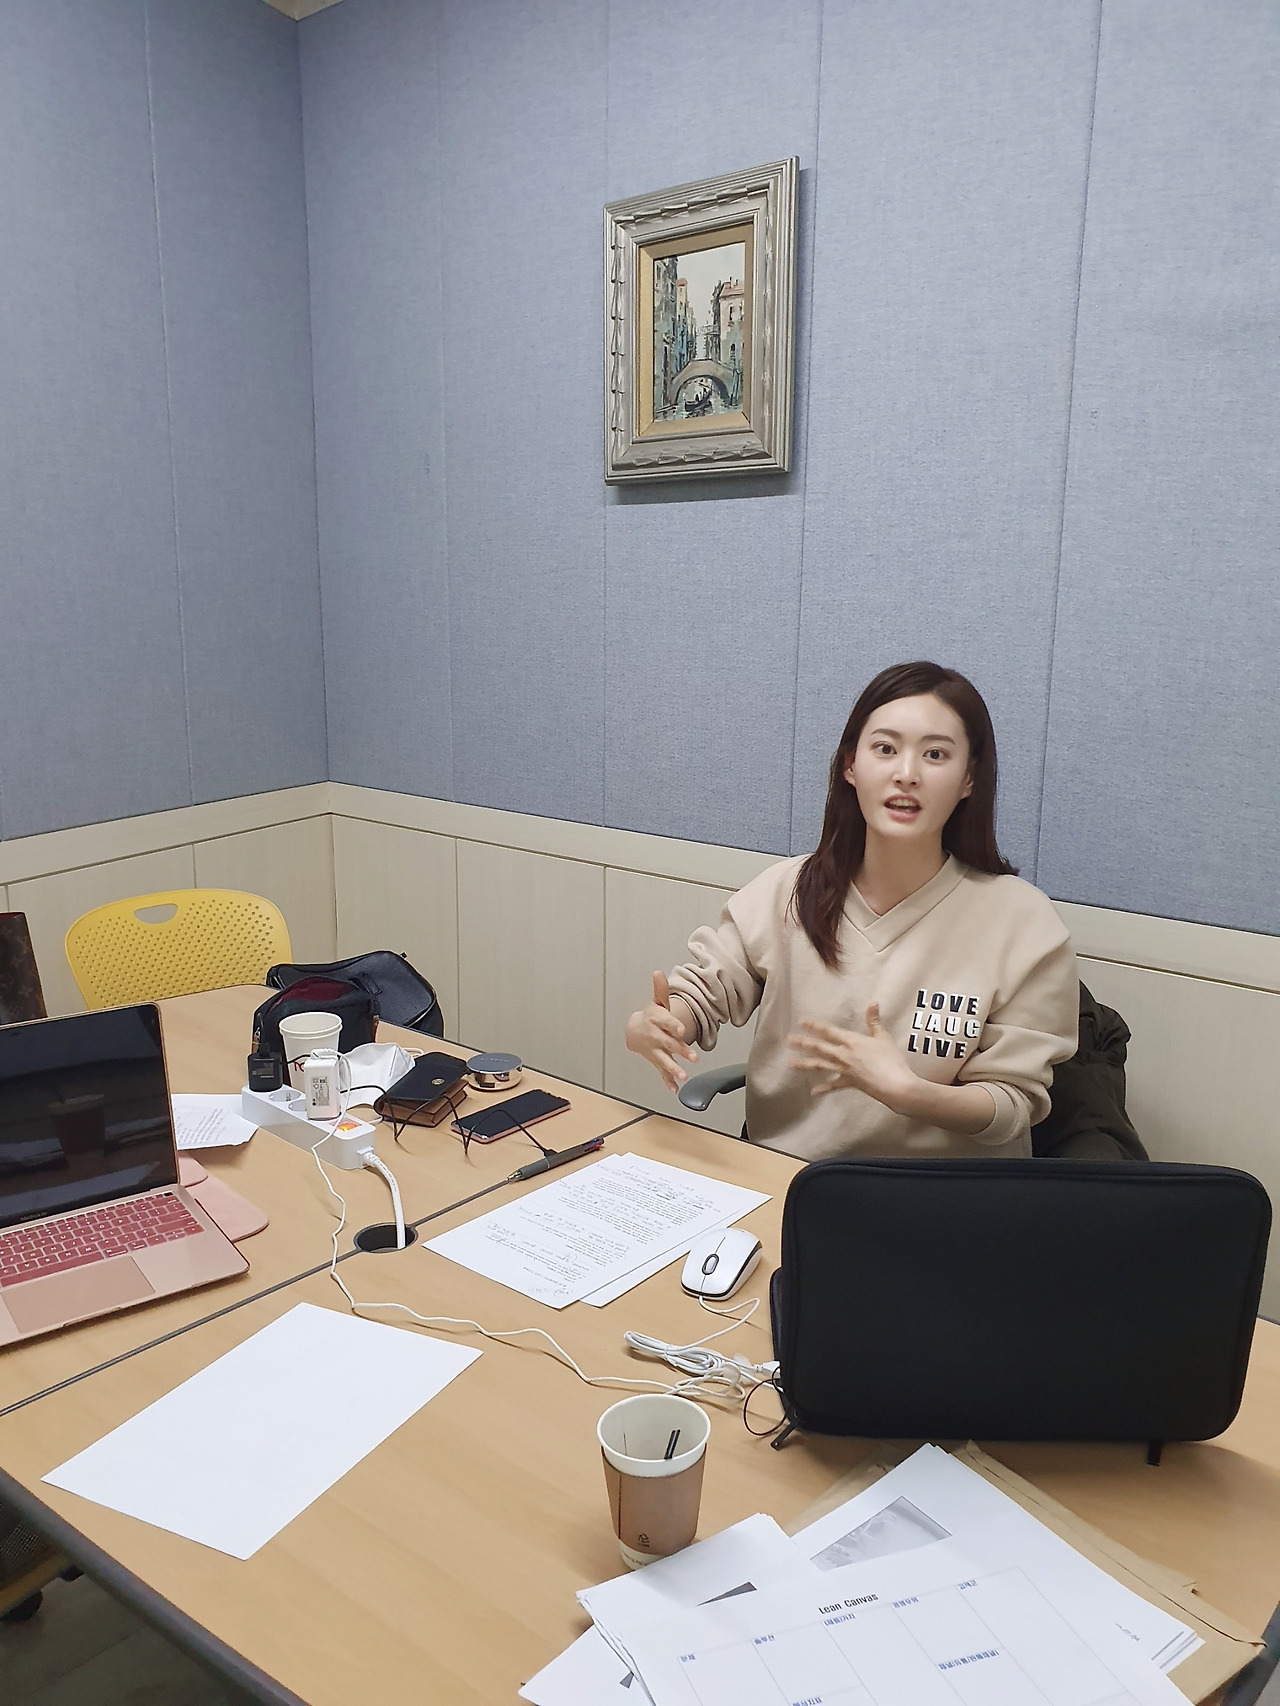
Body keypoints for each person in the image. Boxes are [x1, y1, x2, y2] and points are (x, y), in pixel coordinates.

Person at [625, 661, 1079, 1162]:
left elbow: (1014, 1104)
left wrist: (910, 1094)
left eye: (935, 754)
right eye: (885, 749)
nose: (906, 774)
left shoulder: (1021, 921)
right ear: (850, 766)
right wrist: (662, 1024)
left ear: (968, 779)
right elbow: (707, 991)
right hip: (793, 1178)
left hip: (944, 1196)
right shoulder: (787, 891)